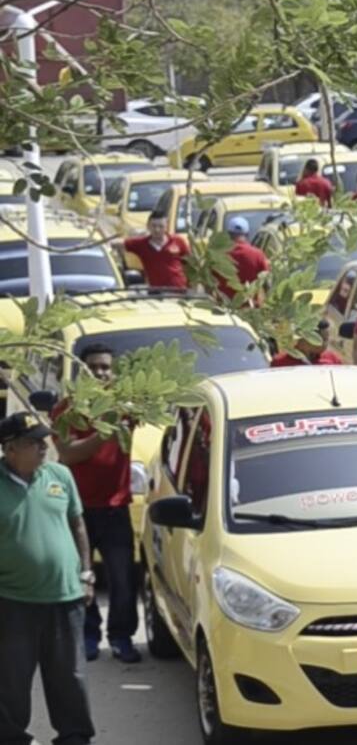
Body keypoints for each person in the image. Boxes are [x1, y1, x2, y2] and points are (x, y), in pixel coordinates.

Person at [0, 411, 96, 745]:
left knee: (70, 676)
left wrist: (86, 574)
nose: (44, 447)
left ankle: (74, 737)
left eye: (44, 440)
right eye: (34, 442)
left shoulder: (60, 475)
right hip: (13, 600)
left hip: (65, 596)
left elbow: (78, 524)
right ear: (10, 448)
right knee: (11, 679)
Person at [49, 344, 139, 665]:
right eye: (93, 367)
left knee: (123, 580)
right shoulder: (65, 410)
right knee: (81, 577)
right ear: (80, 371)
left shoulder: (126, 405)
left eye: (105, 367)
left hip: (116, 508)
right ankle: (88, 636)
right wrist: (106, 430)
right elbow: (69, 453)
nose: (100, 373)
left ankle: (121, 637)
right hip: (77, 511)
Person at [121, 210, 190, 288]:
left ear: (166, 226)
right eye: (153, 226)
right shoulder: (141, 244)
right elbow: (119, 243)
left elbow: (190, 264)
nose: (157, 230)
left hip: (179, 290)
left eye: (161, 226)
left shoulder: (178, 241)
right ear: (148, 226)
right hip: (155, 291)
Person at [216, 216, 271, 302]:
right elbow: (267, 283)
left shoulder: (218, 255)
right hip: (251, 307)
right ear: (247, 234)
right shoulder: (258, 255)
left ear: (228, 235)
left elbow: (209, 283)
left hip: (223, 307)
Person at [271, 319, 345, 366]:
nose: (325, 344)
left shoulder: (332, 359)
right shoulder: (281, 363)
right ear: (305, 338)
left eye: (327, 339)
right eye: (323, 340)